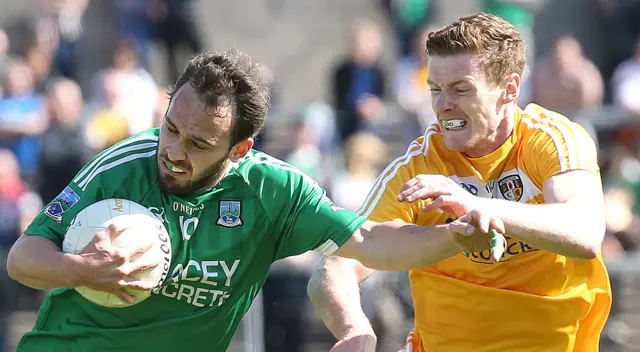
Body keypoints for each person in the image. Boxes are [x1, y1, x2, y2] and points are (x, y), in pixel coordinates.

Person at [6, 49, 504, 352]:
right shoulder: (124, 165)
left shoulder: (273, 190)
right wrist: (81, 268)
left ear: (240, 148)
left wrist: (456, 236)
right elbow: (23, 258)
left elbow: (371, 240)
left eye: (199, 144)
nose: (174, 152)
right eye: (171, 129)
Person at [308, 13, 611, 352]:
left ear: (509, 89)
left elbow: (584, 232)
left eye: (460, 89)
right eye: (435, 90)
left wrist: (482, 208)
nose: (443, 106)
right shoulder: (419, 164)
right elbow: (334, 266)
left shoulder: (550, 140)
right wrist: (354, 330)